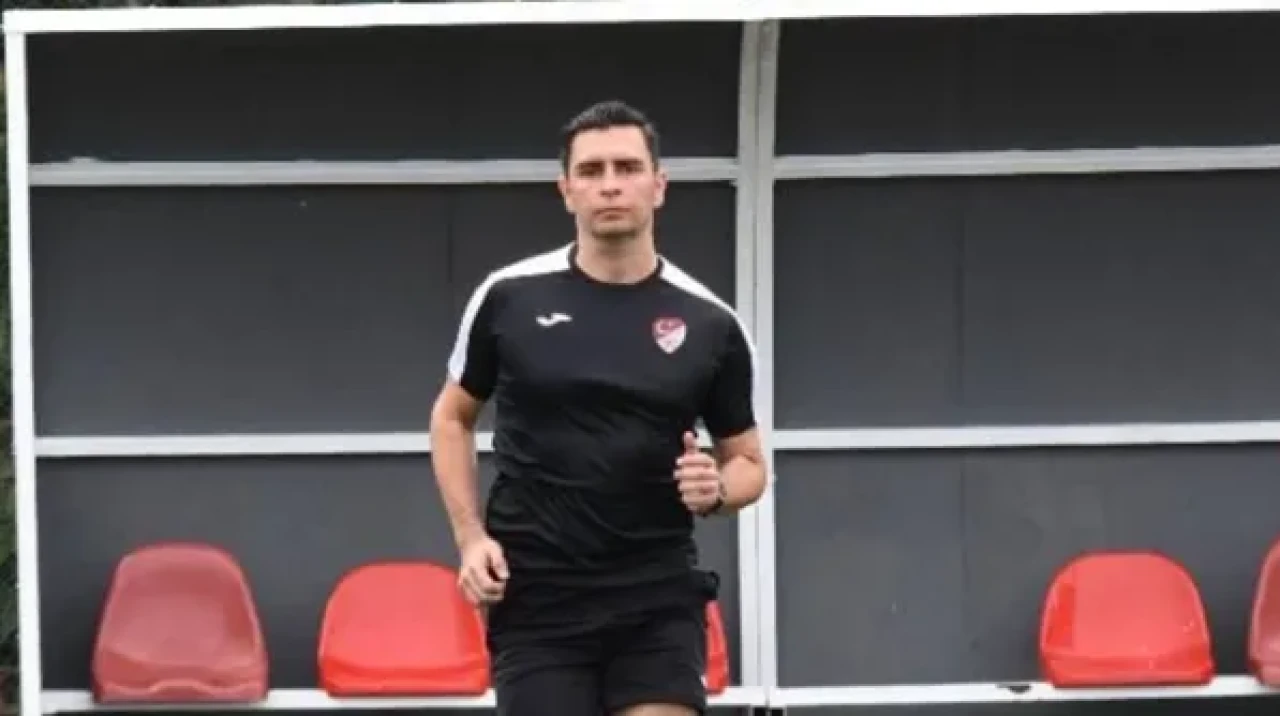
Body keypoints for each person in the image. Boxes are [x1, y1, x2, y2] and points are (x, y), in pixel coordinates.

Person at [429, 99, 768, 716]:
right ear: (566, 190)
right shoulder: (507, 298)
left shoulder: (711, 324)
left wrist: (717, 488)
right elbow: (452, 418)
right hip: (539, 595)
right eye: (590, 170)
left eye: (627, 167)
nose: (610, 184)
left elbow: (749, 462)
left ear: (658, 185)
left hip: (656, 593)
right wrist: (470, 538)